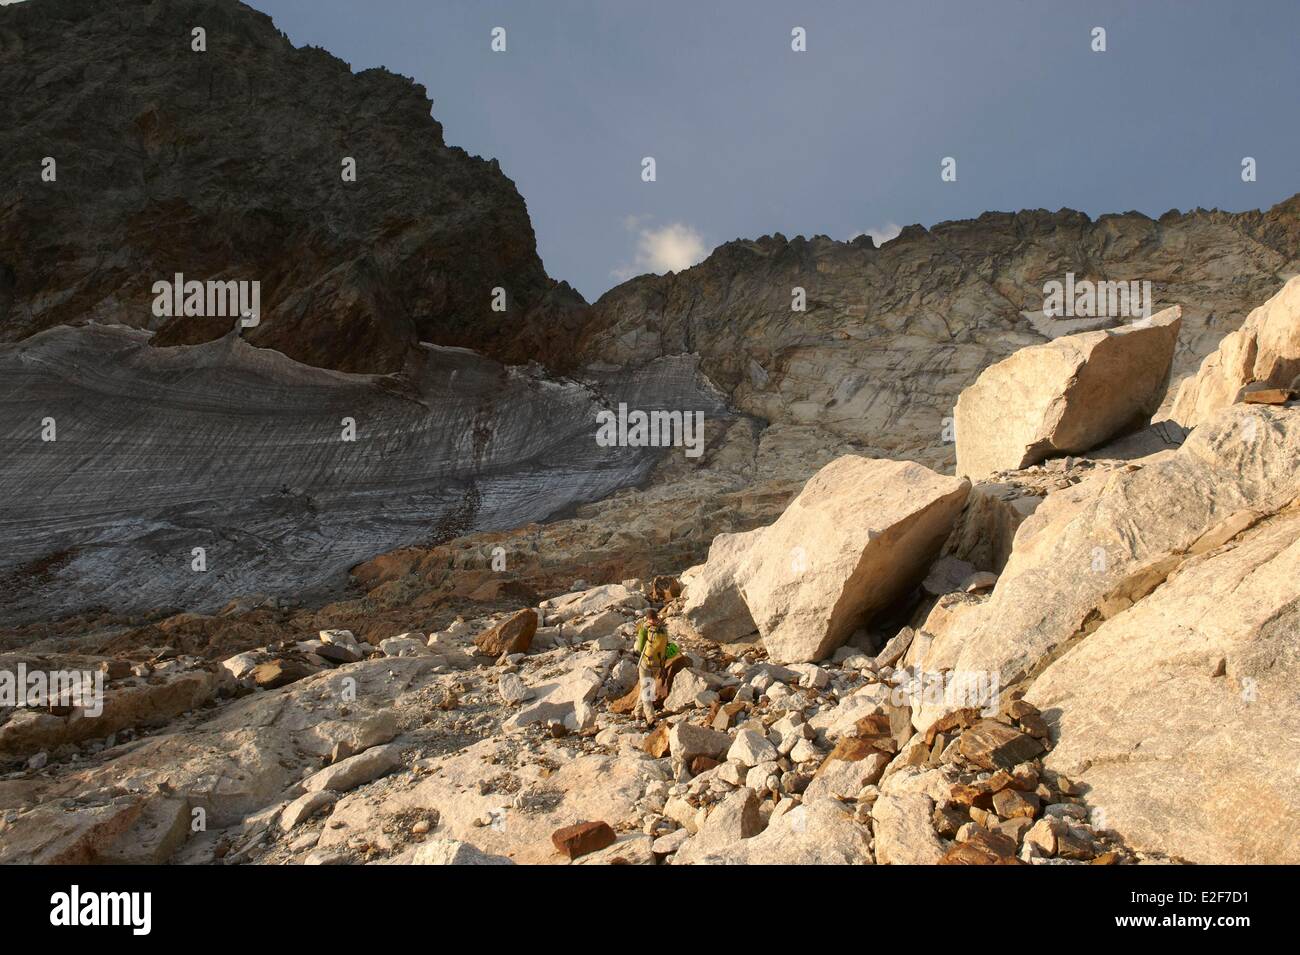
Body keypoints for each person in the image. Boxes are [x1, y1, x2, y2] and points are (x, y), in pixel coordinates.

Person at [633, 607, 669, 728]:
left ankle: (638, 713)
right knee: (646, 688)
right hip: (657, 664)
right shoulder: (663, 630)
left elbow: (639, 648)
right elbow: (668, 646)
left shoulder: (644, 629)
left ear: (648, 619)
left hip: (646, 663)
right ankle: (650, 718)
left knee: (645, 689)